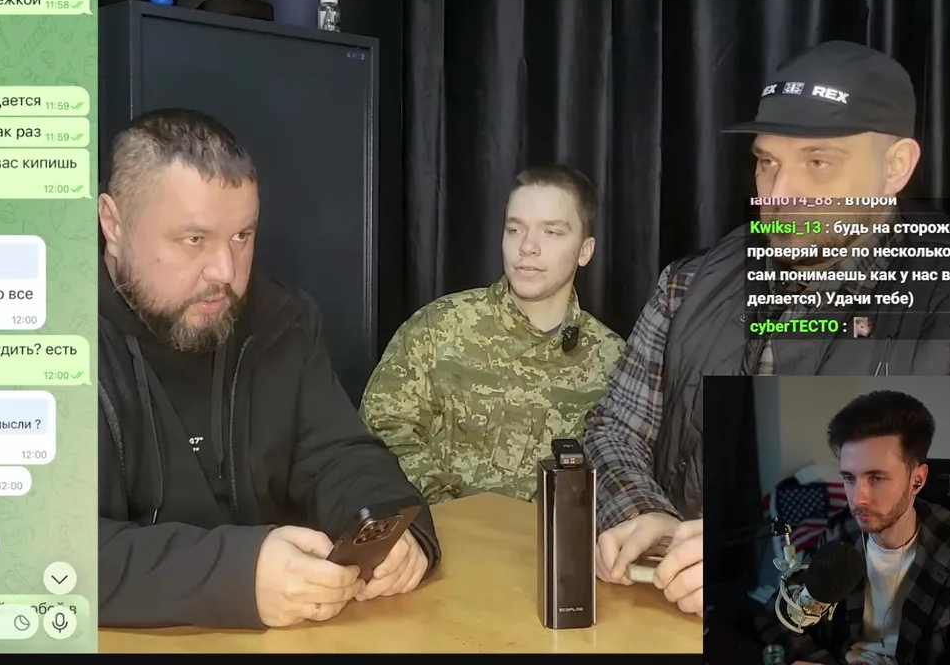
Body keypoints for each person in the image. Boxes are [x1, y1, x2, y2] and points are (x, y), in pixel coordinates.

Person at [584, 41, 950, 618]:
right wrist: (649, 519)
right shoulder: (687, 285)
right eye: (767, 161)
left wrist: (787, 573)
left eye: (818, 162)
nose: (777, 194)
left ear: (895, 167)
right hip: (661, 615)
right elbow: (613, 431)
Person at [97, 109, 441, 630]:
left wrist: (390, 528)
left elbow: (340, 455)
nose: (225, 271)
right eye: (194, 240)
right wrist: (235, 577)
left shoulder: (282, 322)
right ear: (114, 223)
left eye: (242, 236)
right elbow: (29, 548)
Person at [361, 165, 624, 504]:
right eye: (515, 229)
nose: (528, 246)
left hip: (547, 537)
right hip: (438, 528)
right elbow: (381, 429)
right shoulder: (440, 326)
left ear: (585, 250)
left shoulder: (614, 362)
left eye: (551, 232)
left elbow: (621, 470)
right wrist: (448, 509)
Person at [777, 390, 950, 664]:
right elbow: (786, 619)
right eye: (849, 478)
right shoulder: (841, 532)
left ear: (917, 480)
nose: (858, 499)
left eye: (876, 478)